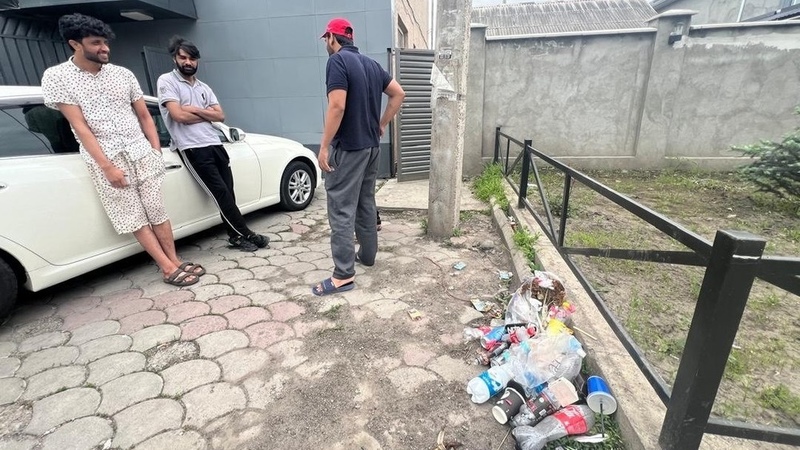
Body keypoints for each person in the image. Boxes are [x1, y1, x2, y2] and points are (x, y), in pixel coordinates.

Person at [41, 13, 205, 287]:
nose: (104, 48)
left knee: (157, 210)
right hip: (107, 158)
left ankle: (175, 259)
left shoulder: (122, 74)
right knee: (133, 216)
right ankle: (166, 268)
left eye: (105, 42)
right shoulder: (57, 77)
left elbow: (144, 116)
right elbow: (80, 127)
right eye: (96, 43)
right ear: (75, 44)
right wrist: (106, 166)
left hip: (141, 152)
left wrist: (155, 151)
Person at [312, 18, 405, 296]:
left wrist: (324, 147)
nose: (326, 43)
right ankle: (367, 255)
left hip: (349, 148)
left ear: (332, 37)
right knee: (365, 202)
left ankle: (343, 275)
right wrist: (381, 124)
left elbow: (337, 106)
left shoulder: (337, 61)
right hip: (372, 148)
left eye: (326, 39)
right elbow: (398, 94)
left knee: (341, 209)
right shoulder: (371, 65)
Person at [156, 36, 269, 252]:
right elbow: (178, 116)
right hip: (192, 148)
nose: (188, 62)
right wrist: (204, 114)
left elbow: (220, 116)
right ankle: (246, 234)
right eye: (183, 58)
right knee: (221, 193)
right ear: (174, 59)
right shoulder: (167, 81)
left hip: (215, 144)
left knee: (229, 192)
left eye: (192, 59)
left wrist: (193, 109)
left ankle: (236, 236)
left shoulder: (203, 87)